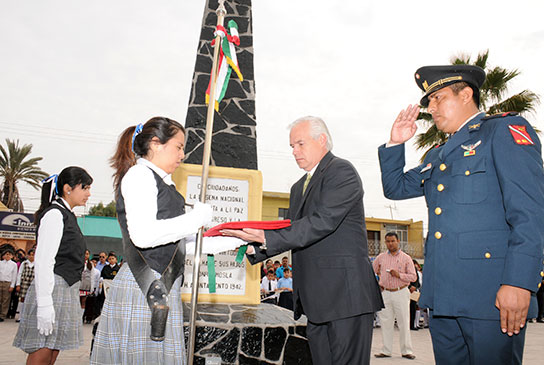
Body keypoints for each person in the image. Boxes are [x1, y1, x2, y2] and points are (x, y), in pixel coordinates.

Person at [378, 64, 544, 364]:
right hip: (444, 299)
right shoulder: (438, 154)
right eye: (428, 102)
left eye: (438, 98)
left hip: (491, 296)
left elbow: (530, 212)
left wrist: (519, 282)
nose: (431, 108)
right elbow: (395, 188)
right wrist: (395, 142)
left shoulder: (503, 132)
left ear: (466, 94)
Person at [223, 116, 383, 364]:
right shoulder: (299, 187)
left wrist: (267, 236)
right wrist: (246, 245)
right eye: (291, 147)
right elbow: (293, 230)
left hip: (345, 298)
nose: (294, 152)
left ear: (321, 140)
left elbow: (321, 222)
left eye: (300, 144)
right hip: (316, 301)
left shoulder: (341, 171)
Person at [90, 117, 212, 364]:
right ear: (156, 144)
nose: (183, 153)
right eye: (178, 146)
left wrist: (236, 240)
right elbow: (144, 235)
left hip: (163, 285)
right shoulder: (140, 175)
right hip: (144, 284)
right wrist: (197, 217)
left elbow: (178, 242)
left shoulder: (166, 185)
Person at [13, 166, 93, 364]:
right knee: (42, 352)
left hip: (66, 289)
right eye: (85, 188)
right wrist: (45, 304)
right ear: (68, 188)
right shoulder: (55, 214)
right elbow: (43, 261)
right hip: (52, 289)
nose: (88, 194)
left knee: (52, 352)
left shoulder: (68, 214)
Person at [372, 232, 417, 359]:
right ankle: (386, 350)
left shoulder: (406, 258)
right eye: (388, 241)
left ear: (398, 241)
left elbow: (413, 277)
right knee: (386, 322)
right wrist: (377, 284)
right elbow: (371, 272)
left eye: (392, 241)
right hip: (385, 292)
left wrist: (399, 275)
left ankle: (406, 351)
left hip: (401, 292)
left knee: (403, 322)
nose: (390, 244)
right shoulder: (380, 258)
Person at [16, 248, 36, 323]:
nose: (31, 257)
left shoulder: (37, 264)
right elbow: (20, 274)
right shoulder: (24, 263)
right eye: (30, 255)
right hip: (24, 283)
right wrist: (18, 284)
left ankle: (29, 317)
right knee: (22, 299)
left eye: (33, 255)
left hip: (33, 284)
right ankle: (20, 317)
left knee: (32, 300)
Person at [0, 248, 17, 322]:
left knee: (5, 300)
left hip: (7, 283)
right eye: (6, 254)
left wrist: (12, 286)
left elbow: (14, 275)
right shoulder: (0, 263)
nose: (7, 256)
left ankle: (2, 315)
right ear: (3, 256)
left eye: (9, 254)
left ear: (12, 256)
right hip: (0, 281)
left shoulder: (14, 264)